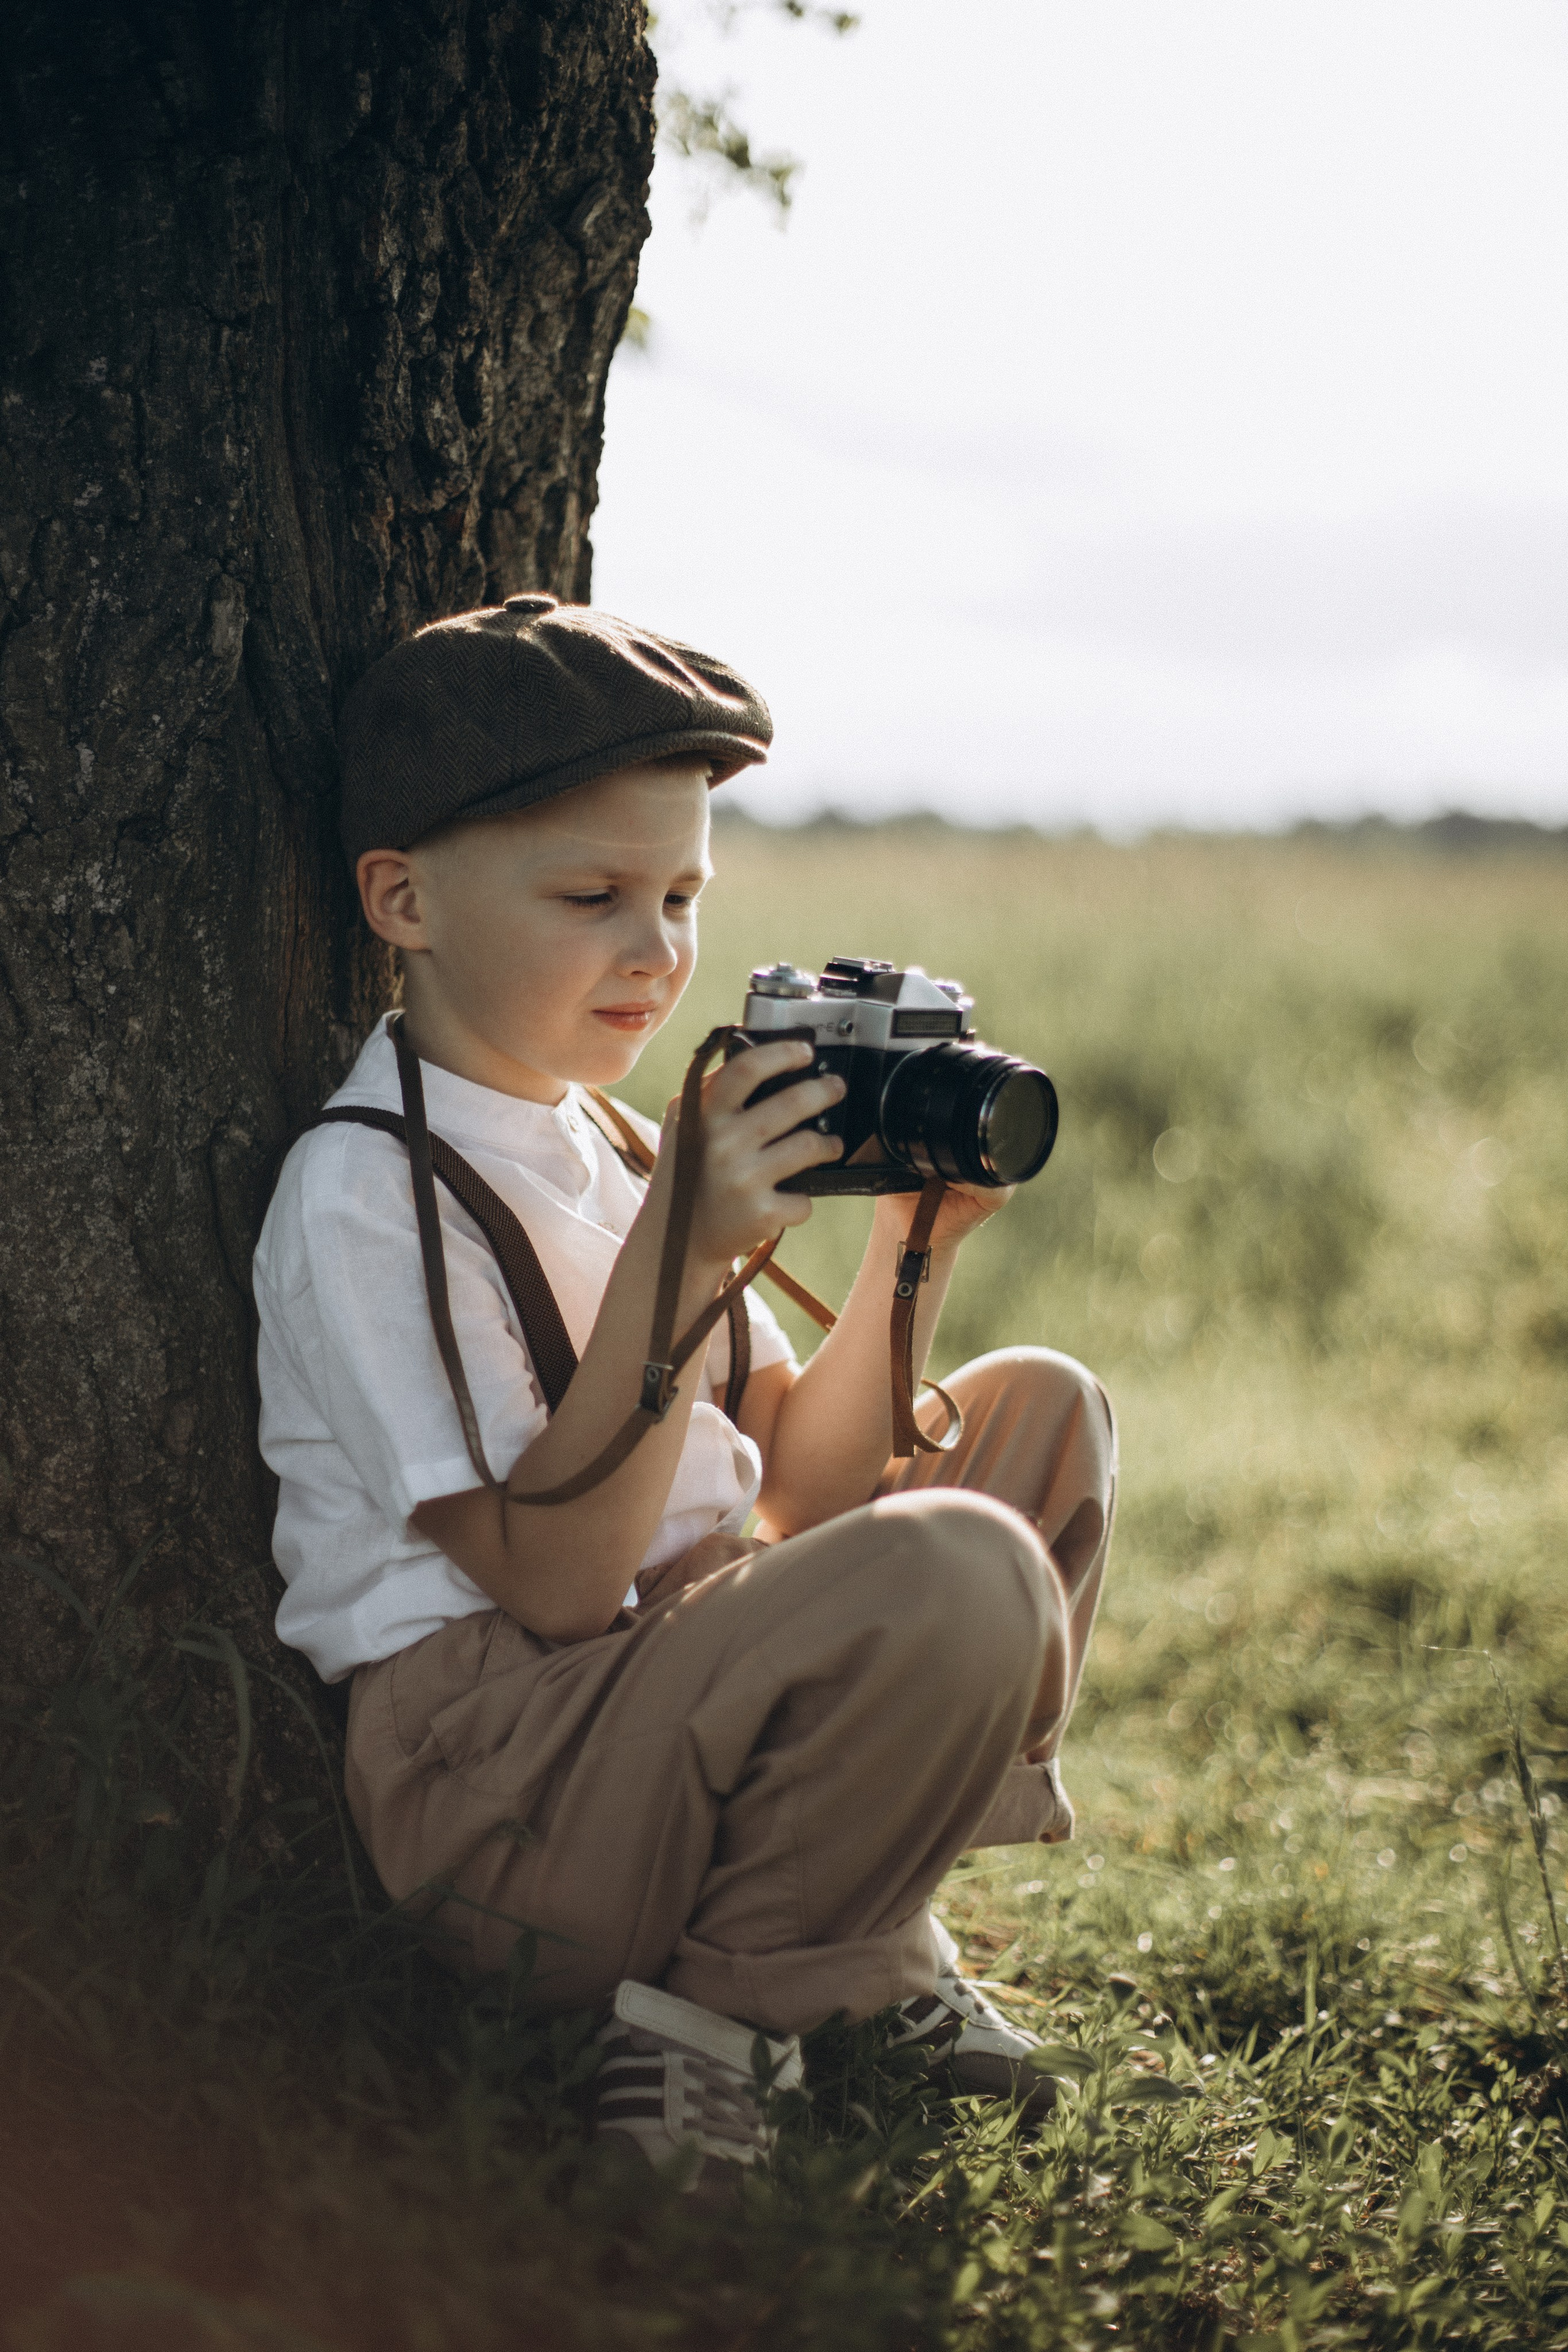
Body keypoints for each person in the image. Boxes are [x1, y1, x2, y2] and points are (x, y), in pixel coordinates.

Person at [254, 594, 1116, 2191]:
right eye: (592, 897)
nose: (655, 953)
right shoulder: (372, 1190)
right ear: (404, 900)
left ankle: (856, 1933)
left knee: (1038, 1419)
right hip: (499, 1781)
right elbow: (561, 1590)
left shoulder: (630, 1144)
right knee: (962, 1568)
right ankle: (711, 2028)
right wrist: (678, 1252)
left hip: (658, 1709)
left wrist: (909, 1254)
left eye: (681, 897)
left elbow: (798, 1487)